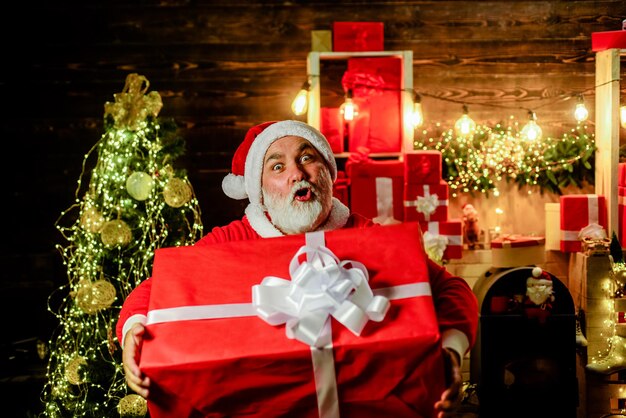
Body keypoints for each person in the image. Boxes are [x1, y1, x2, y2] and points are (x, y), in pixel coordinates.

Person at [117, 120, 478, 418]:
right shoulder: (229, 242)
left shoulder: (369, 236)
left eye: (307, 158)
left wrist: (449, 348)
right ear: (259, 190)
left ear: (327, 174)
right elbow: (158, 290)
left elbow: (452, 289)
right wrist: (134, 327)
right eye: (277, 166)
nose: (296, 173)